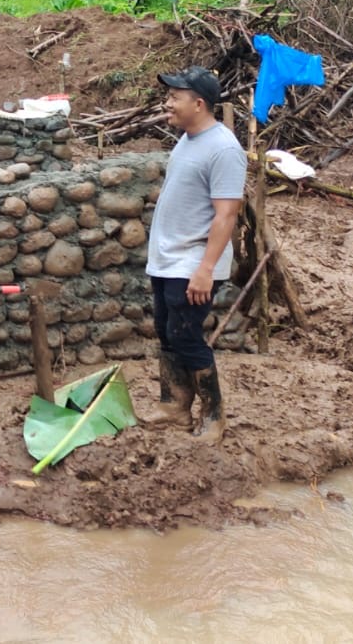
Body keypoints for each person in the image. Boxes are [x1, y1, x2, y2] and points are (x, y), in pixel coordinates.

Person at [144, 66, 247, 445]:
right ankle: (174, 406)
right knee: (166, 333)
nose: (167, 103)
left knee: (186, 336)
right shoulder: (189, 139)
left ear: (199, 103)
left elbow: (227, 214)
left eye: (175, 97)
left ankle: (214, 416)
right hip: (168, 258)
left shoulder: (223, 149)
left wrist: (206, 269)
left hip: (194, 262)